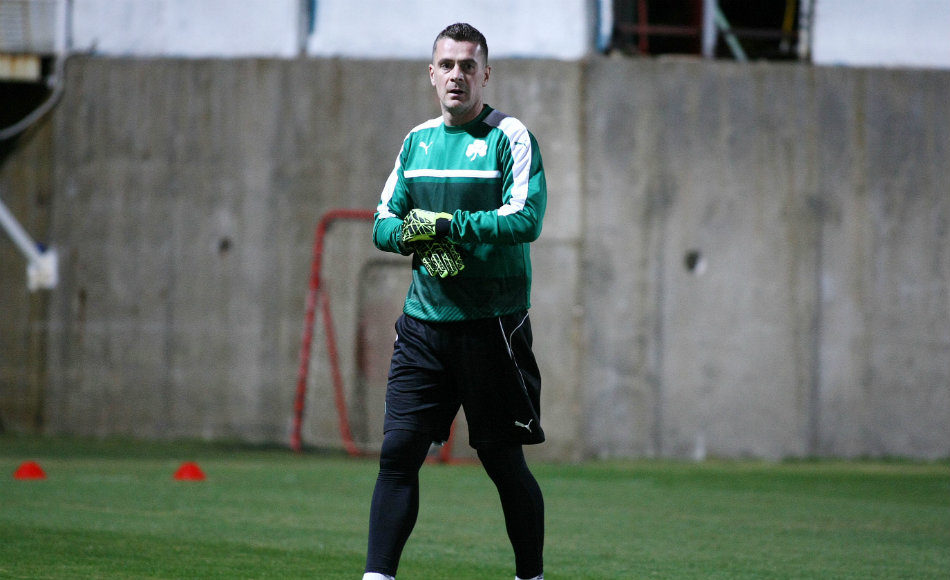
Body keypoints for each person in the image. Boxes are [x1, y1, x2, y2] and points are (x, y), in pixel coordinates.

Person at [363, 22, 547, 580]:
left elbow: (526, 219)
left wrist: (448, 224)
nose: (456, 76)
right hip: (424, 326)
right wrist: (414, 234)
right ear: (431, 73)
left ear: (485, 75)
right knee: (398, 452)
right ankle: (377, 576)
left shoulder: (510, 137)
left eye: (468, 66)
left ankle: (530, 575)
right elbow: (382, 222)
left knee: (502, 461)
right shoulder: (416, 142)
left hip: (492, 327)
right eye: (446, 65)